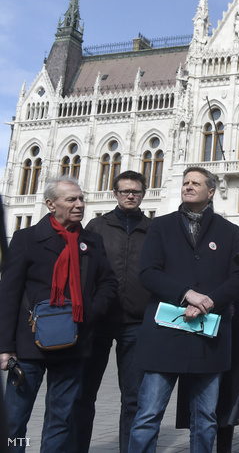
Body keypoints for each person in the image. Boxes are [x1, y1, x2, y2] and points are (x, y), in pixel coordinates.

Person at [128, 166, 239, 453]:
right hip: (164, 336)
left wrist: (208, 301)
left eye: (196, 183)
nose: (188, 186)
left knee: (206, 418)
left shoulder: (229, 231)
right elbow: (148, 272)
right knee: (148, 416)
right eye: (185, 182)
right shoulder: (161, 226)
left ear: (210, 192)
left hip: (210, 337)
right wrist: (187, 295)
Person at [0, 176, 117, 453]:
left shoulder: (92, 240)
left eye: (81, 199)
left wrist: (90, 310)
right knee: (15, 421)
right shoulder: (26, 239)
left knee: (60, 420)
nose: (79, 205)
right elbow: (8, 294)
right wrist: (5, 347)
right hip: (28, 346)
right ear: (51, 204)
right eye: (71, 199)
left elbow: (108, 282)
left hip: (73, 343)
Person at [72, 170, 151, 453]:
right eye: (125, 191)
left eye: (136, 191)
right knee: (84, 394)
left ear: (143, 194)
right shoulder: (96, 226)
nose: (130, 195)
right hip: (98, 321)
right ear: (115, 194)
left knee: (133, 398)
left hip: (137, 323)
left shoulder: (153, 230)